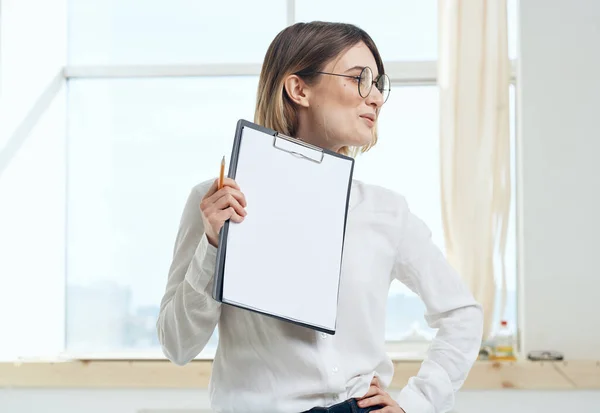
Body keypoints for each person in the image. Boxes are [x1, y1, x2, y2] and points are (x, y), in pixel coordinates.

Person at [157, 21, 483, 413]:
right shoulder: (218, 201)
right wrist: (211, 243)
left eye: (379, 83)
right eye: (359, 78)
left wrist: (417, 404)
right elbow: (177, 345)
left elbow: (461, 314)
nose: (375, 97)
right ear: (299, 89)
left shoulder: (385, 212)